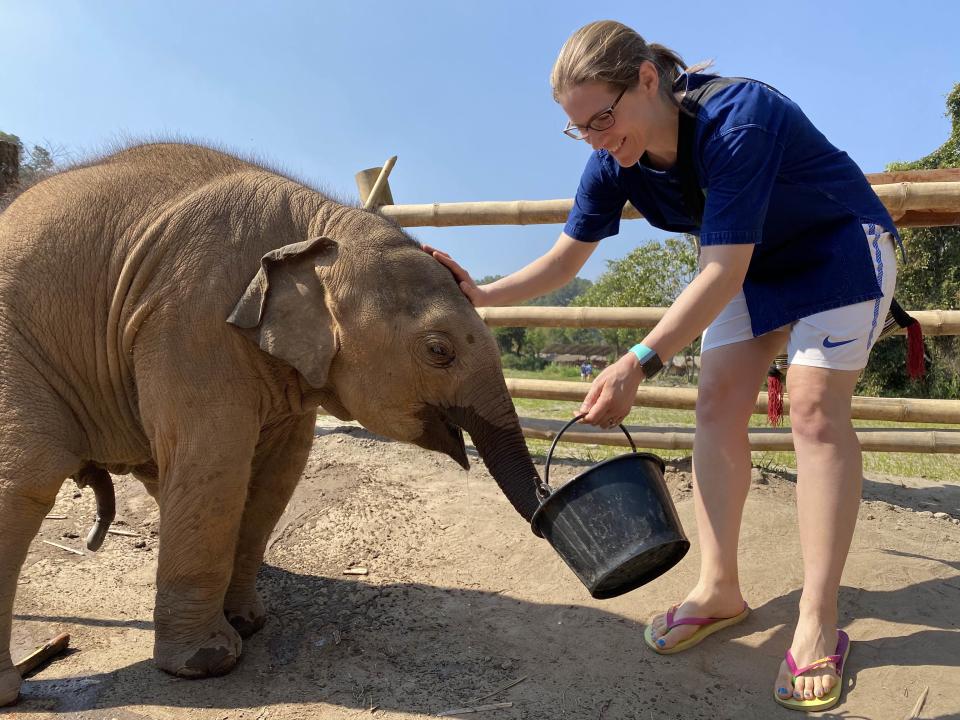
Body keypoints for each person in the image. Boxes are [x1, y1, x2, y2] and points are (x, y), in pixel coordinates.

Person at [425, 20, 899, 711]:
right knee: (714, 406)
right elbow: (567, 258)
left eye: (603, 118)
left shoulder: (742, 119)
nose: (595, 137)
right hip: (749, 264)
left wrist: (639, 360)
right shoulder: (613, 159)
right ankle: (719, 588)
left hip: (838, 247)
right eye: (579, 128)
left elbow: (721, 267)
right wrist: (485, 297)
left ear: (648, 78)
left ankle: (817, 617)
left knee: (813, 410)